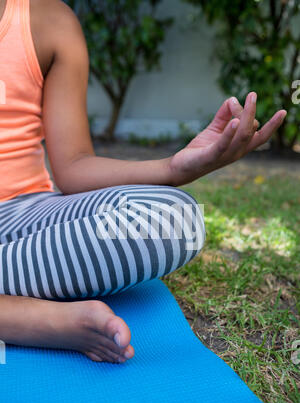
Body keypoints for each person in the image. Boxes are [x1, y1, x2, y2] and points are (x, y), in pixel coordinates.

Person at [0, 0, 287, 364]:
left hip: (24, 214)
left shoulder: (49, 21)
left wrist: (174, 168)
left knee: (175, 219)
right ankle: (33, 319)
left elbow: (73, 167)